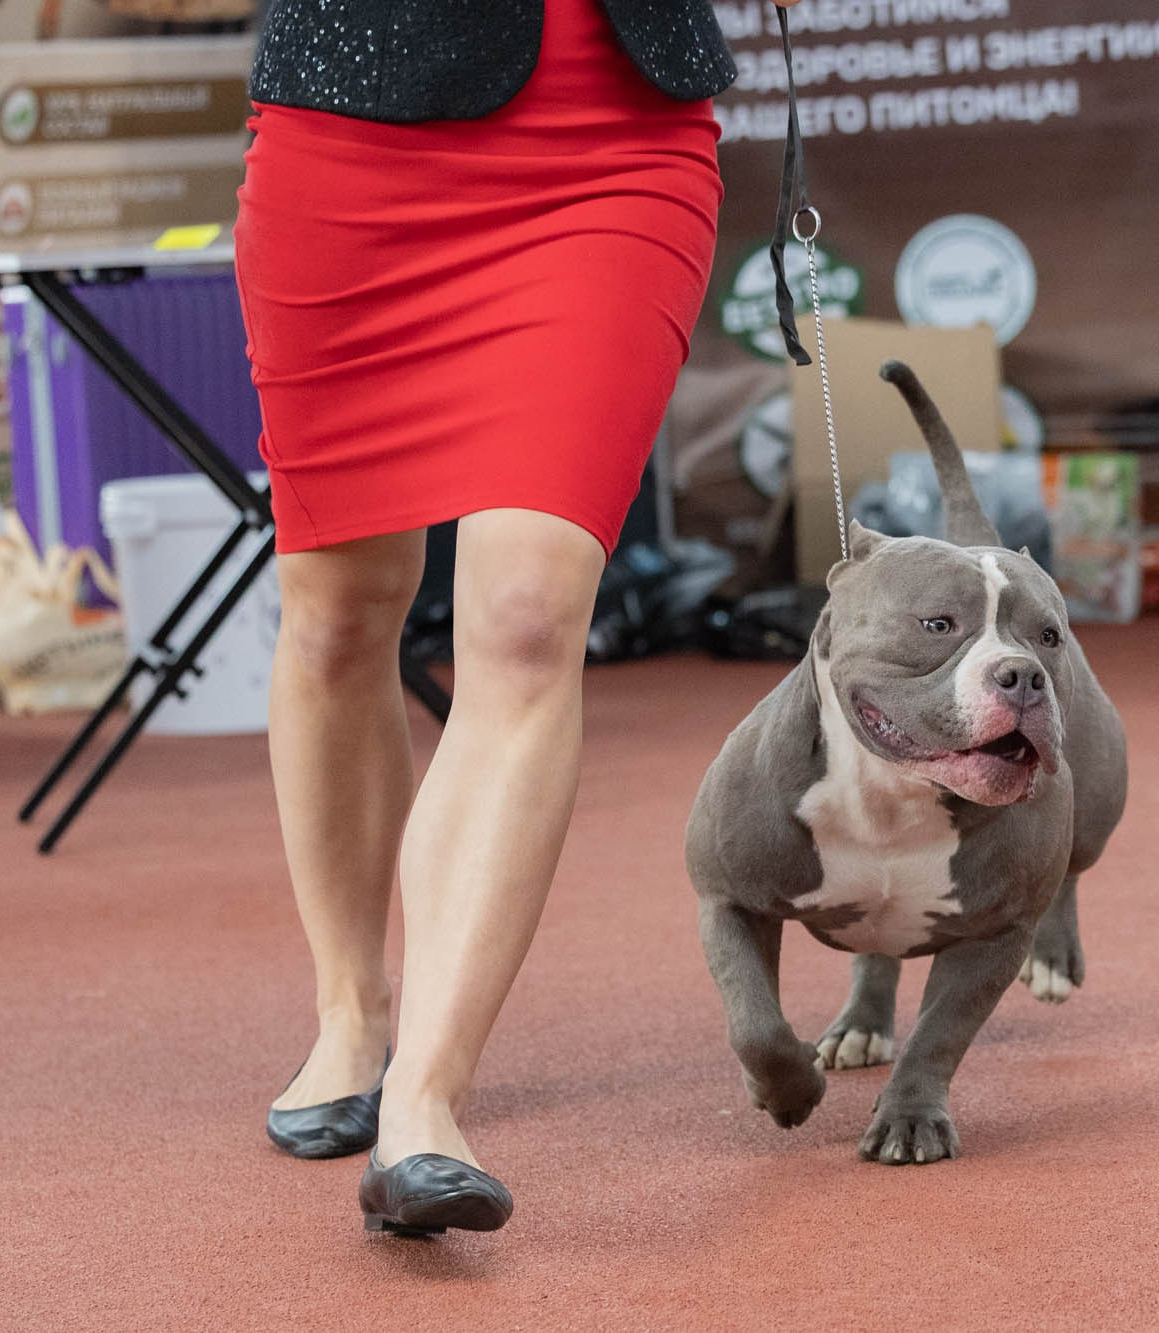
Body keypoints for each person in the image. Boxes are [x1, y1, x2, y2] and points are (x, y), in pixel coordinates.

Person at [234, 0, 793, 1236]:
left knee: (531, 610)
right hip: (353, 129)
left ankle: (425, 1100)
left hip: (614, 140)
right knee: (338, 610)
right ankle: (351, 1010)